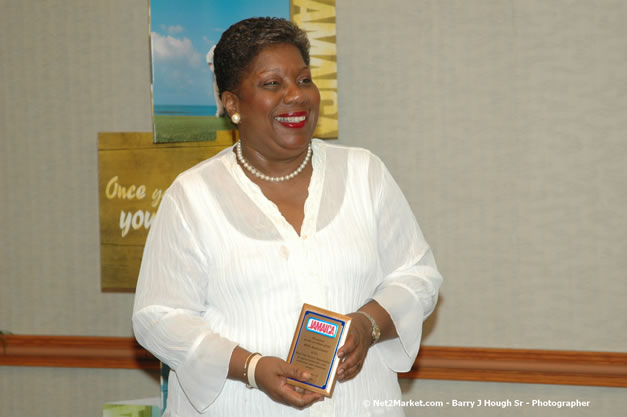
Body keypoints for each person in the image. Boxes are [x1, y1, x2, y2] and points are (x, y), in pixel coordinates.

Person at [133, 17, 443, 417]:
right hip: (241, 404)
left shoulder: (364, 173)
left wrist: (368, 326)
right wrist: (251, 367)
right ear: (232, 104)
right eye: (272, 84)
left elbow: (418, 276)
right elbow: (157, 317)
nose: (296, 96)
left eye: (304, 79)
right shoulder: (192, 196)